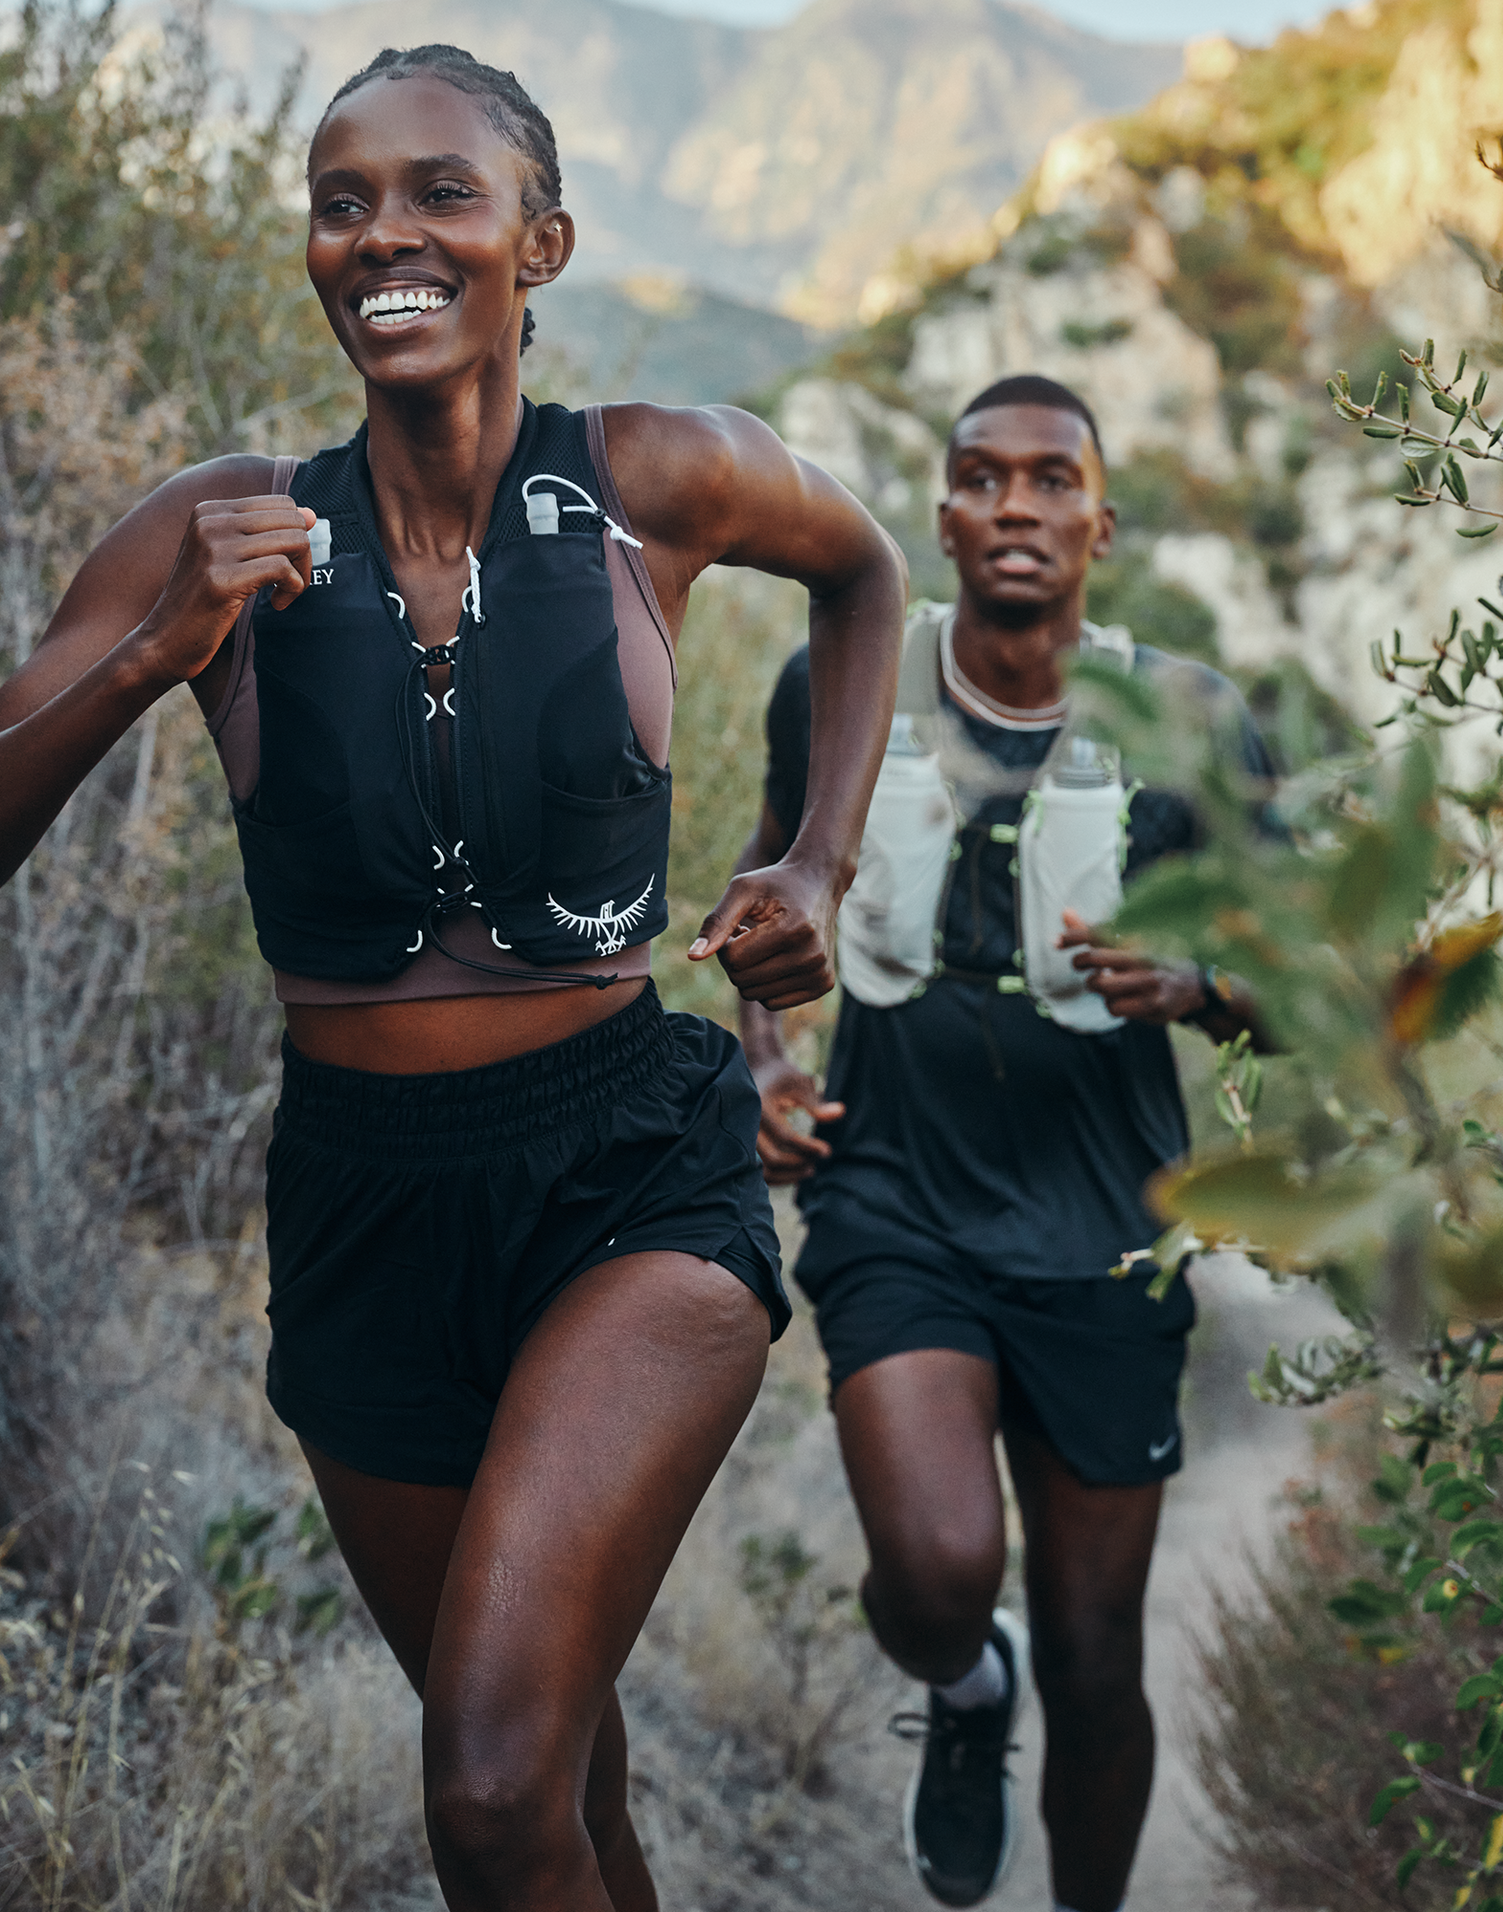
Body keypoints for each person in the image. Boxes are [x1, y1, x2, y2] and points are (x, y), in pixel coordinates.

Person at [0, 45, 903, 1912]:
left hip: (630, 1178)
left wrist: (812, 857)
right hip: (361, 1209)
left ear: (537, 241)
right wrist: (158, 649)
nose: (384, 234)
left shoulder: (657, 483)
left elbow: (869, 570)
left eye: (439, 195)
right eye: (343, 202)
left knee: (488, 1794)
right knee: (566, 1783)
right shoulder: (220, 531)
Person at [735, 374, 1277, 1912]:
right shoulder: (843, 683)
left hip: (1108, 1227)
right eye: (984, 478)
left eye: (1053, 482)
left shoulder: (1184, 722)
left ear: (1102, 521)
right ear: (943, 513)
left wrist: (1199, 985)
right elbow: (770, 891)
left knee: (1103, 1664)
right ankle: (968, 1691)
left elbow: (1311, 983)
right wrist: (765, 1062)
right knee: (931, 1577)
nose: (1018, 507)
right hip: (893, 1193)